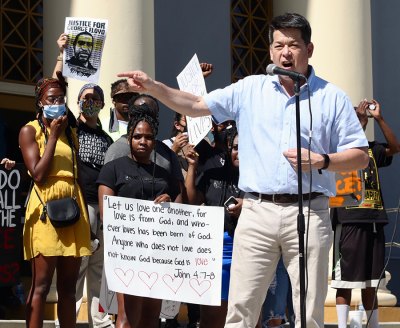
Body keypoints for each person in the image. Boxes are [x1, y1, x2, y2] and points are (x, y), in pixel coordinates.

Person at [117, 12, 369, 328]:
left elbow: (360, 156)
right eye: (278, 45)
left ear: (310, 49)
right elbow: (196, 105)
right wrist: (154, 88)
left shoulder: (331, 97)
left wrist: (323, 161)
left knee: (309, 314)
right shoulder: (250, 89)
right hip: (256, 212)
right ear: (271, 50)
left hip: (309, 210)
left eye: (293, 45)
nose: (285, 53)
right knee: (241, 310)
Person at [97, 105, 184, 328]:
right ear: (129, 139)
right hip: (127, 253)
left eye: (148, 137)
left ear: (154, 141)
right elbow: (107, 214)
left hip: (157, 253)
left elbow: (181, 211)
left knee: (150, 318)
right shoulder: (113, 169)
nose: (143, 141)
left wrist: (170, 204)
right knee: (127, 316)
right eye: (137, 136)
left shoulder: (164, 175)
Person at [52, 34, 115, 326]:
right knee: (75, 267)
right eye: (86, 97)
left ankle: (99, 322)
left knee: (99, 270)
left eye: (95, 98)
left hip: (103, 208)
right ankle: (67, 320)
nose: (90, 101)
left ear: (102, 104)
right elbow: (57, 90)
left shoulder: (106, 137)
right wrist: (62, 55)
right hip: (79, 206)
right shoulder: (71, 127)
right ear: (78, 102)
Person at [19, 76, 91, 327]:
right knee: (41, 284)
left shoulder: (70, 133)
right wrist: (52, 137)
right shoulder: (30, 131)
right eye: (52, 99)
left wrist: (88, 222)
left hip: (73, 207)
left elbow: (76, 172)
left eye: (61, 98)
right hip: (45, 209)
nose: (57, 102)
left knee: (69, 288)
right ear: (40, 102)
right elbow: (38, 173)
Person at [331, 99, 400, 328]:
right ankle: (342, 325)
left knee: (372, 280)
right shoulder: (338, 148)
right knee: (345, 279)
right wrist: (358, 124)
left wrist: (378, 118)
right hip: (349, 218)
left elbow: (395, 148)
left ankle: (373, 324)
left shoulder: (372, 149)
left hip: (374, 218)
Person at [185, 125, 245, 328]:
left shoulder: (258, 177)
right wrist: (193, 166)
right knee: (211, 317)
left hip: (246, 251)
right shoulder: (212, 172)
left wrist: (246, 206)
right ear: (228, 148)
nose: (239, 152)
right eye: (236, 147)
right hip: (213, 252)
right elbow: (192, 201)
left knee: (246, 314)